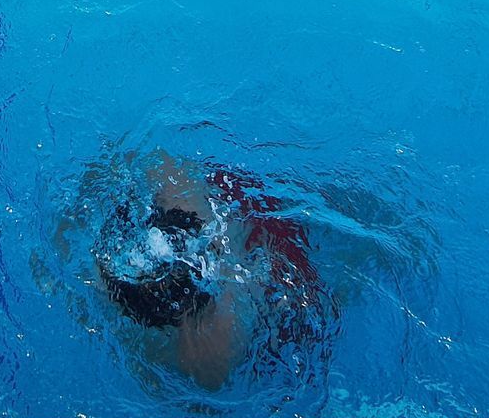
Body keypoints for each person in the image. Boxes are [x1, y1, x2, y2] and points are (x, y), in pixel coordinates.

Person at [86, 152, 326, 391]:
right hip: (254, 204)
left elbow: (209, 392)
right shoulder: (176, 188)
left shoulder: (203, 351)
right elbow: (137, 157)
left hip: (285, 305)